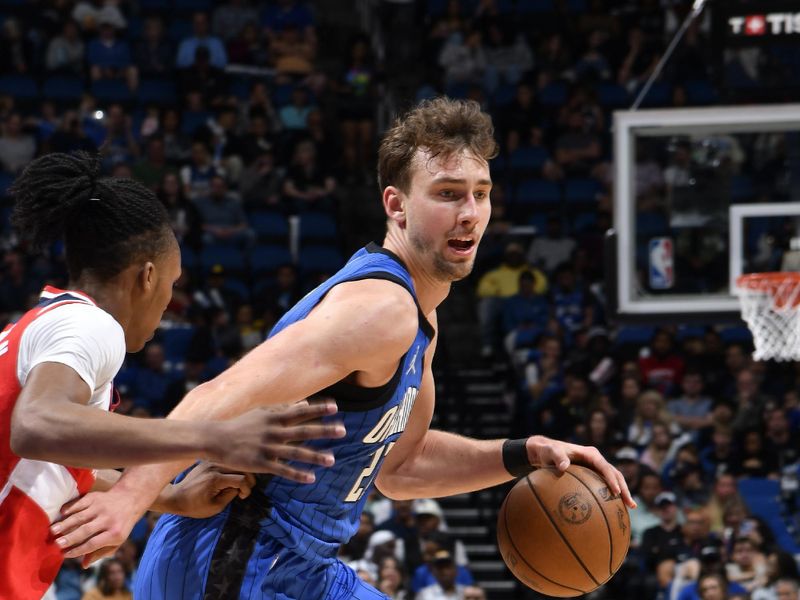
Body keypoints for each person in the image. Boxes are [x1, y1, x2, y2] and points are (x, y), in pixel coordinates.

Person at [52, 98, 635, 599]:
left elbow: (400, 467)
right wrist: (131, 496)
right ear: (396, 205)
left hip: (298, 567)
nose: (470, 214)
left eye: (481, 194)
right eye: (448, 194)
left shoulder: (420, 322)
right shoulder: (380, 309)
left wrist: (522, 452)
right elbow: (219, 395)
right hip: (234, 559)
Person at [0, 152, 344, 600]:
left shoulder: (33, 325)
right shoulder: (90, 325)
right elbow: (37, 425)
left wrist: (167, 498)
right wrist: (211, 437)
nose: (169, 301)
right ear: (146, 276)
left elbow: (48, 461)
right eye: (173, 282)